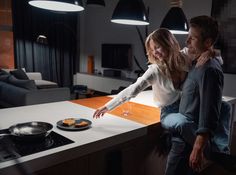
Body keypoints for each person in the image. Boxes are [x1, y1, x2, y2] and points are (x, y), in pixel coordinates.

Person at [161, 15, 234, 175]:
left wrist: (198, 147)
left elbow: (210, 110)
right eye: (188, 37)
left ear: (207, 42)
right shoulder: (197, 61)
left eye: (192, 38)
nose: (187, 42)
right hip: (184, 141)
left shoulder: (209, 69)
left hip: (187, 144)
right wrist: (212, 52)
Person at [93, 28, 213, 120]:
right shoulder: (155, 70)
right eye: (151, 49)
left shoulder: (186, 55)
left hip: (186, 105)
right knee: (187, 124)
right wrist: (107, 106)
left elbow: (219, 57)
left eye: (158, 47)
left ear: (168, 43)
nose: (154, 52)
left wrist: (210, 52)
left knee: (221, 109)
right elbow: (133, 89)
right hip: (168, 110)